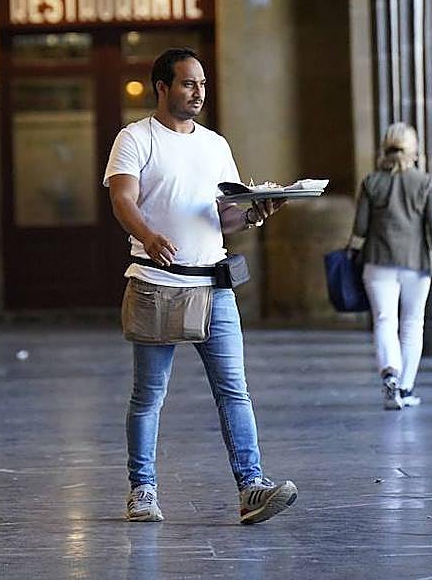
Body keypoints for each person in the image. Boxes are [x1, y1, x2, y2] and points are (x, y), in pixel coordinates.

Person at [103, 47, 297, 525]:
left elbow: (222, 215)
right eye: (189, 83)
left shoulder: (215, 145)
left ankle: (251, 487)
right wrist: (148, 236)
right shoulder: (136, 138)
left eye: (203, 84)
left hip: (214, 285)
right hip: (156, 284)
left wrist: (253, 214)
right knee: (149, 396)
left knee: (234, 390)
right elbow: (122, 199)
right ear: (162, 87)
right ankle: (142, 490)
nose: (198, 93)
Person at [348, 122, 432, 410]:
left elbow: (360, 228)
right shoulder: (426, 183)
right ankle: (405, 388)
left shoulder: (371, 183)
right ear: (414, 150)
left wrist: (351, 255)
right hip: (417, 264)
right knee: (412, 324)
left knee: (384, 321)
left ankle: (390, 374)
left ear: (385, 147)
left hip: (378, 262)